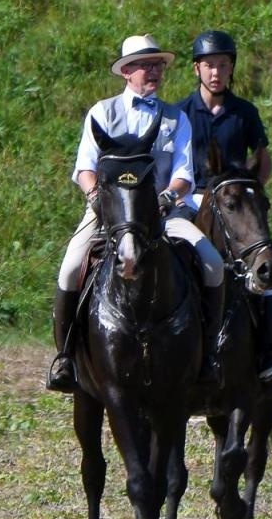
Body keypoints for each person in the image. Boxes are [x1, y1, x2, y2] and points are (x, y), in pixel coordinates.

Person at [46, 35, 226, 393]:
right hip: (108, 211)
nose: (154, 71)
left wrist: (165, 198)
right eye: (146, 65)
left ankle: (208, 354)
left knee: (212, 262)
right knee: (70, 265)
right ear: (127, 71)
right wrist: (95, 195)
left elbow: (184, 175)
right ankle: (65, 357)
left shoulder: (177, 118)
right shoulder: (102, 112)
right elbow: (85, 168)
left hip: (163, 212)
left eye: (158, 65)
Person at [170, 30, 272, 383]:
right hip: (193, 196)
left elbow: (262, 159)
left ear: (231, 68)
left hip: (234, 200)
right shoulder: (180, 113)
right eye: (209, 66)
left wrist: (252, 194)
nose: (216, 72)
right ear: (197, 69)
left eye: (223, 65)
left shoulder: (244, 112)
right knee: (171, 254)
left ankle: (270, 352)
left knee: (263, 263)